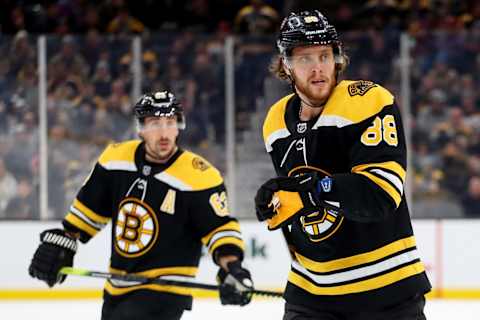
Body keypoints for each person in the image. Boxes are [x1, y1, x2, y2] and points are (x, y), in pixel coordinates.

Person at [254, 10, 431, 320]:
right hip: (310, 294)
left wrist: (313, 192)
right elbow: (304, 197)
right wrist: (277, 198)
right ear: (286, 65)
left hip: (386, 292)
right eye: (305, 59)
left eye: (324, 55)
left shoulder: (369, 101)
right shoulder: (275, 121)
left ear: (337, 58)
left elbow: (381, 194)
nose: (318, 68)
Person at [29, 90, 253, 319]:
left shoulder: (199, 175)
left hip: (166, 289)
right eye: (155, 123)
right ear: (141, 129)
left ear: (179, 126)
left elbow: (219, 229)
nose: (164, 132)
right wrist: (64, 240)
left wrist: (232, 268)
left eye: (170, 122)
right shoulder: (115, 159)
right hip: (117, 287)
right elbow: (88, 212)